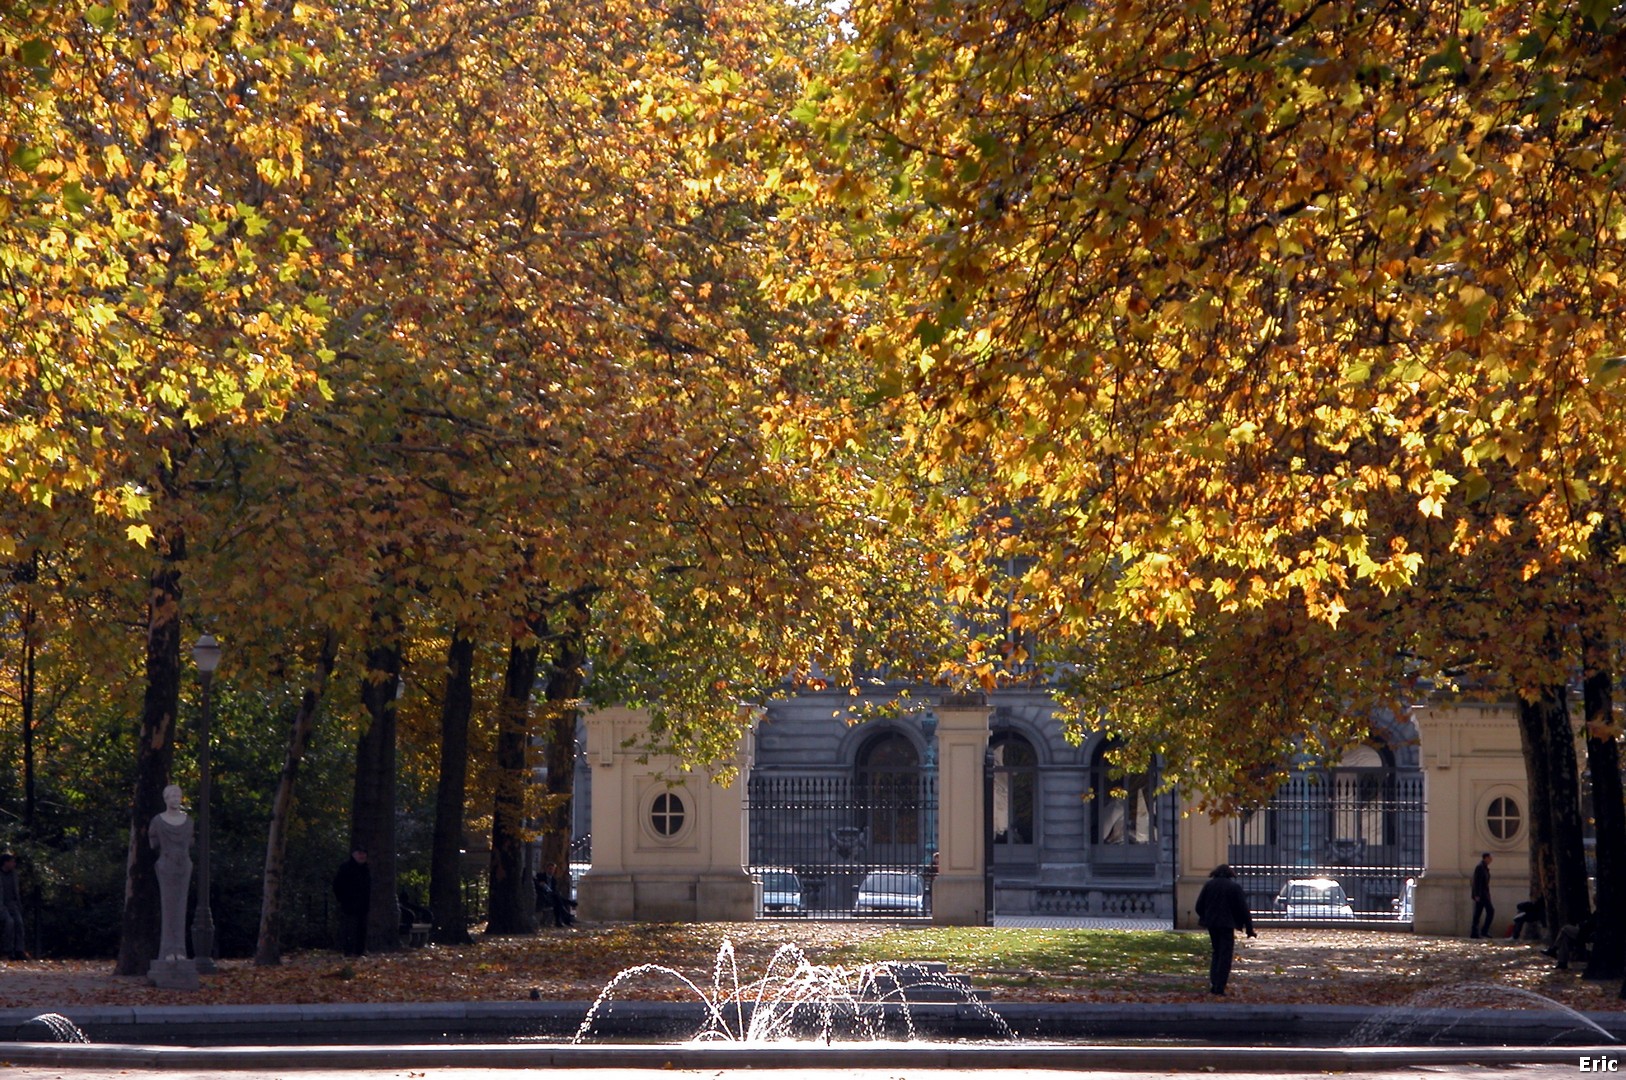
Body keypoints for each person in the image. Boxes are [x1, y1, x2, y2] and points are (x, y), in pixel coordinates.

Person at [1194, 864, 1255, 995]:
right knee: (1225, 955)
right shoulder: (1234, 887)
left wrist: (1206, 917)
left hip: (1212, 924)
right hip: (1227, 925)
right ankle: (1220, 986)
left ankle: (1214, 982)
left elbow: (1198, 906)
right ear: (1230, 874)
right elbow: (1244, 910)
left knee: (1216, 953)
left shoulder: (1208, 886)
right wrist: (1249, 929)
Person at [149, 785, 193, 962]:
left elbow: (190, 842)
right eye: (172, 795)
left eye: (178, 795)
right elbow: (153, 843)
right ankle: (167, 951)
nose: (175, 798)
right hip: (166, 866)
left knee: (181, 909)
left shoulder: (188, 821)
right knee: (168, 909)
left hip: (184, 866)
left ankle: (180, 950)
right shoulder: (158, 821)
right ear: (165, 798)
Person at [333, 847, 371, 957]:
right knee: (350, 929)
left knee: (361, 929)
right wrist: (342, 899)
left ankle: (360, 951)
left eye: (364, 853)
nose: (362, 856)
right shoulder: (346, 868)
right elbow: (337, 885)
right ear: (354, 854)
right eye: (360, 853)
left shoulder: (365, 869)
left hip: (363, 905)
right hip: (349, 904)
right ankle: (348, 951)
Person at [534, 863, 575, 928]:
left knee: (557, 900)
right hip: (543, 896)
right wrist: (540, 885)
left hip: (551, 897)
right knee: (558, 899)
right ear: (546, 869)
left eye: (553, 869)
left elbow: (554, 890)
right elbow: (536, 885)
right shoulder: (540, 876)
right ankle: (566, 915)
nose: (551, 871)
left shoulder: (554, 880)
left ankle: (561, 921)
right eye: (550, 869)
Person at [0, 853, 24, 961]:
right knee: (9, 923)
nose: (14, 864)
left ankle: (19, 951)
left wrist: (18, 904)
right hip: (2, 904)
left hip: (12, 903)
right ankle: (7, 951)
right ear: (6, 863)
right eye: (12, 861)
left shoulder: (14, 874)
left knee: (19, 923)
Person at [1469, 852, 1494, 939]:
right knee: (1480, 913)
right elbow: (1476, 882)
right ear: (1485, 858)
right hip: (1481, 895)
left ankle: (1479, 931)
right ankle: (1479, 931)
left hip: (1484, 894)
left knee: (1481, 913)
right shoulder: (1480, 867)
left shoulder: (1484, 868)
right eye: (1490, 858)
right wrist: (1477, 895)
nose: (1491, 860)